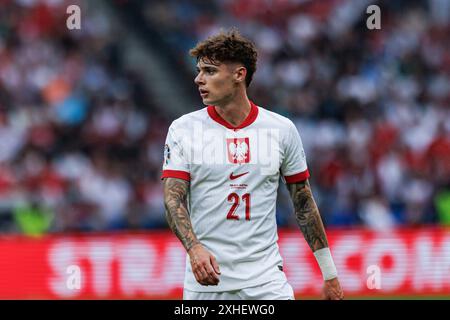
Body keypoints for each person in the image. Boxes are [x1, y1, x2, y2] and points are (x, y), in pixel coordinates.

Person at [161, 28, 344, 300]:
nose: (198, 79)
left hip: (266, 283)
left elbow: (303, 202)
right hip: (207, 285)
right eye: (199, 71)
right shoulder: (183, 129)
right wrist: (194, 248)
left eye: (210, 71)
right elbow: (173, 199)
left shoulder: (281, 130)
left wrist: (329, 274)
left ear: (239, 75)